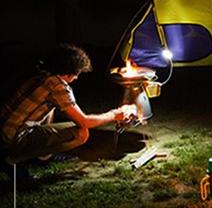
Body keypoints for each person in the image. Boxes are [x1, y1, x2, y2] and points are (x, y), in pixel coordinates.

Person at [0, 44, 136, 176]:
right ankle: (16, 160)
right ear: (70, 71)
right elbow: (84, 122)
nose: (76, 78)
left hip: (4, 131)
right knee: (81, 133)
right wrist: (114, 114)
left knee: (51, 108)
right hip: (14, 139)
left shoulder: (41, 74)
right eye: (77, 73)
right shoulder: (57, 86)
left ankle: (44, 157)